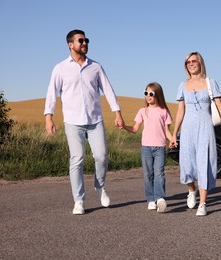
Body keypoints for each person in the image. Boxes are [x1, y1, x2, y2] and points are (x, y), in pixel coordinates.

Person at [44, 29, 124, 215]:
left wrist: (117, 113)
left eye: (86, 40)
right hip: (73, 122)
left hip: (95, 121)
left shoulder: (95, 67)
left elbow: (108, 91)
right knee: (77, 159)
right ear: (70, 44)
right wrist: (49, 117)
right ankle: (78, 200)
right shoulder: (60, 68)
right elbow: (51, 94)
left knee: (102, 157)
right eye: (81, 40)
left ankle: (100, 186)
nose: (85, 43)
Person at [170, 52, 221, 216]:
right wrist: (174, 134)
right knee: (187, 162)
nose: (191, 64)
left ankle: (203, 204)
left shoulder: (210, 83)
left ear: (200, 63)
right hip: (188, 130)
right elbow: (180, 112)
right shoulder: (182, 85)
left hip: (205, 128)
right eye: (188, 62)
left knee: (204, 163)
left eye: (194, 61)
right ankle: (191, 190)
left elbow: (220, 106)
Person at [122, 82, 173, 213]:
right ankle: (151, 200)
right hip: (146, 148)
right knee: (148, 174)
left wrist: (172, 139)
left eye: (151, 94)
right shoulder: (142, 111)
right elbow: (134, 129)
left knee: (159, 173)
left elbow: (167, 131)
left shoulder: (164, 111)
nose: (148, 96)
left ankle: (160, 198)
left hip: (160, 147)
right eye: (146, 93)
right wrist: (124, 126)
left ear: (158, 95)